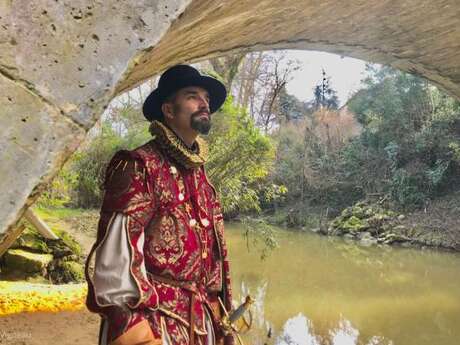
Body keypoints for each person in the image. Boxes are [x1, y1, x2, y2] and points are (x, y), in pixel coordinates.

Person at [85, 65, 234, 345]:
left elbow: (214, 261)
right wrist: (139, 334)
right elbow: (116, 257)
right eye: (192, 96)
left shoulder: (203, 179)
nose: (204, 103)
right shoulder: (139, 165)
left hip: (201, 324)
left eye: (207, 99)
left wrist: (220, 321)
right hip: (156, 323)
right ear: (168, 110)